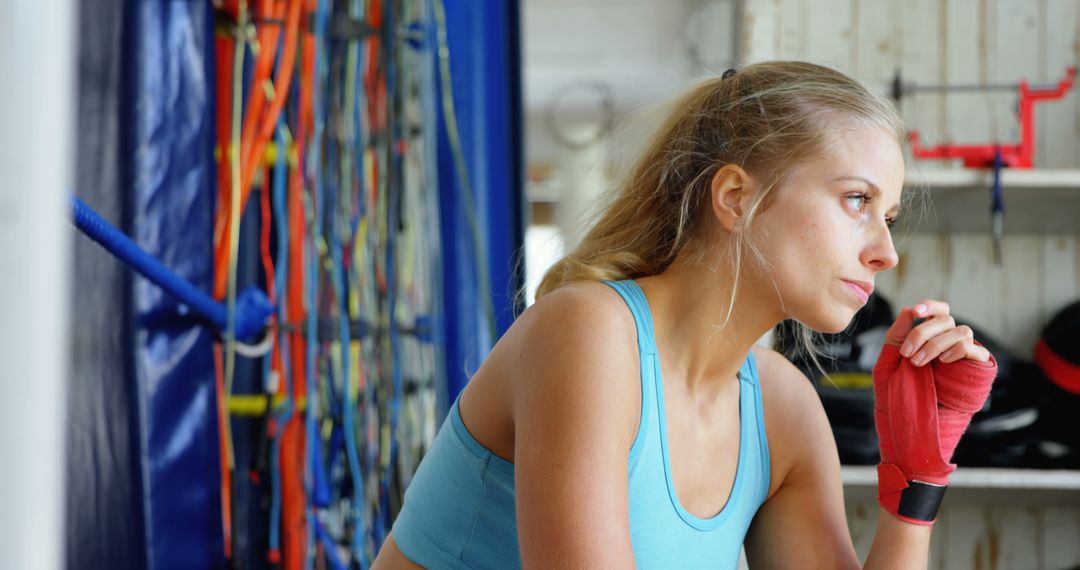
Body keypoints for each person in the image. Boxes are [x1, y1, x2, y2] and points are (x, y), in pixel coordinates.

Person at [371, 61, 997, 569]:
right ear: (736, 199)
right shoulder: (588, 333)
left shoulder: (783, 407)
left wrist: (915, 481)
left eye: (886, 217)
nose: (885, 252)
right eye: (856, 199)